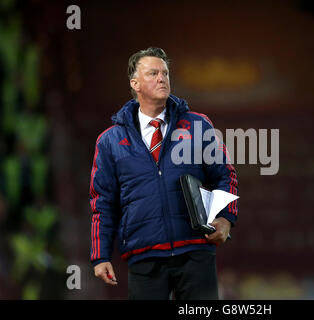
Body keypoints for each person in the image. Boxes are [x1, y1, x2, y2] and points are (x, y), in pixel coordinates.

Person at [89, 47, 238, 299]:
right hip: (144, 257)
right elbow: (103, 203)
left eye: (165, 73)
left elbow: (225, 175)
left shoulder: (198, 124)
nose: (162, 78)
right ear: (134, 83)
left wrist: (225, 219)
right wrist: (101, 255)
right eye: (153, 73)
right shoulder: (109, 141)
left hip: (195, 251)